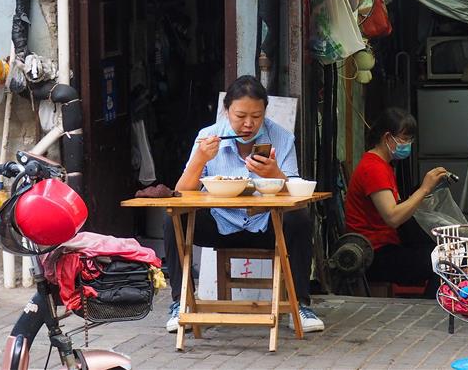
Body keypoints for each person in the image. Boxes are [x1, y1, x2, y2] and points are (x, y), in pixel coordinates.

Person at [162, 75, 324, 334]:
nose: (248, 124)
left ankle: (302, 305)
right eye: (240, 116)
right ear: (227, 111)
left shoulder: (280, 138)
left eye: (256, 116)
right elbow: (182, 192)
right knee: (173, 217)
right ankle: (180, 304)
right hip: (220, 223)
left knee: (300, 219)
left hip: (266, 227)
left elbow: (295, 194)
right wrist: (200, 159)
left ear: (265, 113)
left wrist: (275, 176)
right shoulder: (208, 137)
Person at [344, 108, 449, 291]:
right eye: (404, 139)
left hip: (387, 245)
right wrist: (424, 188)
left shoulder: (383, 166)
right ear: (387, 138)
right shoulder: (373, 169)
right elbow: (392, 217)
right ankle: (432, 310)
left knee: (443, 249)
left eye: (410, 139)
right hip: (374, 254)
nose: (408, 144)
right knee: (444, 259)